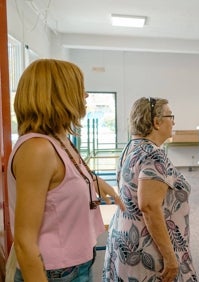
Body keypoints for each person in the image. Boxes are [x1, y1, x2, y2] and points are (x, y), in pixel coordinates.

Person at [8, 59, 125, 282]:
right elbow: (24, 242)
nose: (86, 96)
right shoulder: (37, 149)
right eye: (79, 89)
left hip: (75, 264)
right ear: (59, 95)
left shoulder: (58, 141)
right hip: (54, 272)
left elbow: (66, 177)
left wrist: (99, 184)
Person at [102, 97, 197, 282]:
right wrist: (170, 257)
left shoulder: (131, 148)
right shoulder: (154, 155)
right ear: (156, 121)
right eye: (171, 116)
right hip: (149, 249)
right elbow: (149, 207)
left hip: (126, 240)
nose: (174, 121)